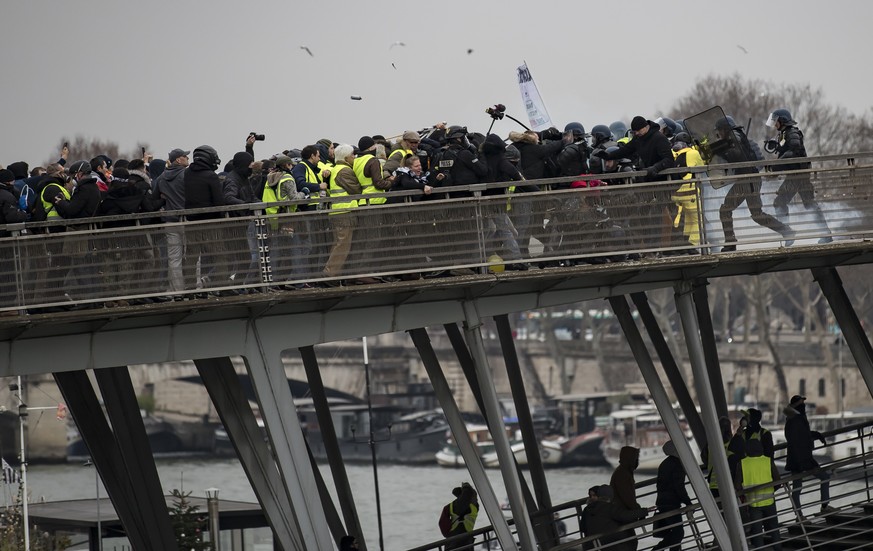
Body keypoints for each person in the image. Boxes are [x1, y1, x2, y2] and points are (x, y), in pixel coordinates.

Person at [713, 116, 795, 252]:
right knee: (756, 214)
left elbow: (737, 154)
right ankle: (787, 231)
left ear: (725, 129)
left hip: (747, 180)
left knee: (726, 210)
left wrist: (722, 150)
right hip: (749, 179)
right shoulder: (736, 136)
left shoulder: (734, 136)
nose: (719, 134)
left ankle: (730, 242)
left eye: (720, 131)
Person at [766, 109, 832, 244]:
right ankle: (826, 233)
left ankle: (788, 234)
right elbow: (786, 151)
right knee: (809, 204)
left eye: (776, 121)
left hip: (798, 175)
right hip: (798, 174)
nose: (775, 124)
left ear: (782, 121)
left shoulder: (792, 132)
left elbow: (794, 150)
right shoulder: (784, 134)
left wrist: (777, 166)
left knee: (780, 202)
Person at [784, 394, 834, 517]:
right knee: (824, 477)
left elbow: (801, 436)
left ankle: (799, 516)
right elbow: (797, 440)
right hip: (802, 459)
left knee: (797, 488)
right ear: (797, 405)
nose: (804, 406)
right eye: (801, 403)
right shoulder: (795, 419)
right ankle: (824, 506)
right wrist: (804, 461)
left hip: (797, 459)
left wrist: (816, 435)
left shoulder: (795, 417)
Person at [184, 145, 225, 292]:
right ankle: (221, 287)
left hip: (192, 222)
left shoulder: (187, 173)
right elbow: (219, 201)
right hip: (211, 223)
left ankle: (189, 289)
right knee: (219, 256)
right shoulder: (210, 175)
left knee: (191, 258)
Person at [323, 144, 365, 282]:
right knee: (343, 245)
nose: (354, 157)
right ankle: (330, 274)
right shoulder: (345, 170)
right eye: (352, 154)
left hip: (338, 211)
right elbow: (356, 189)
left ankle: (333, 274)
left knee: (338, 244)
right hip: (344, 212)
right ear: (346, 157)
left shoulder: (335, 169)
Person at [734, 438, 782, 550]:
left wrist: (745, 495)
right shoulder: (768, 460)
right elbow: (778, 480)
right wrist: (770, 490)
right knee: (774, 529)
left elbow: (737, 485)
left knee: (757, 532)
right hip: (769, 500)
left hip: (753, 503)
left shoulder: (742, 463)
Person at [154, 148, 189, 294]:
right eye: (185, 156)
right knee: (193, 257)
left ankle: (177, 291)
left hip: (169, 221)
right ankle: (197, 287)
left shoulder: (161, 177)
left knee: (174, 259)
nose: (188, 158)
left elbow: (155, 196)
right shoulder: (186, 174)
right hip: (186, 219)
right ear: (178, 160)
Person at [580, 485, 646, 551]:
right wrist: (645, 511)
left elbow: (582, 528)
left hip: (593, 546)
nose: (592, 497)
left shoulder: (587, 510)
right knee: (628, 532)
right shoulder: (608, 507)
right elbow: (626, 515)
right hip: (612, 545)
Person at [653, 441, 692, 551]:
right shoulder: (677, 464)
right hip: (671, 503)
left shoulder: (665, 463)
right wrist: (688, 502)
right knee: (678, 532)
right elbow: (679, 486)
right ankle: (657, 549)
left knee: (675, 531)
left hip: (663, 502)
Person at [701, 416, 745, 502]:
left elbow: (704, 458)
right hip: (728, 484)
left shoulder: (710, 444)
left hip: (714, 485)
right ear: (729, 429)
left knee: (719, 513)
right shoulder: (732, 444)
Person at [610, 446, 644, 551]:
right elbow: (627, 497)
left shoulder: (622, 471)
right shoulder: (623, 474)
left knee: (630, 542)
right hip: (622, 515)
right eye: (635, 457)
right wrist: (639, 510)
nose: (637, 460)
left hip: (621, 514)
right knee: (630, 542)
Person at [441, 482, 478, 550]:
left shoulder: (452, 507)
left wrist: (466, 488)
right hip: (462, 543)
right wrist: (466, 488)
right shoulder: (474, 507)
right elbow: (466, 497)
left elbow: (465, 498)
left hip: (456, 543)